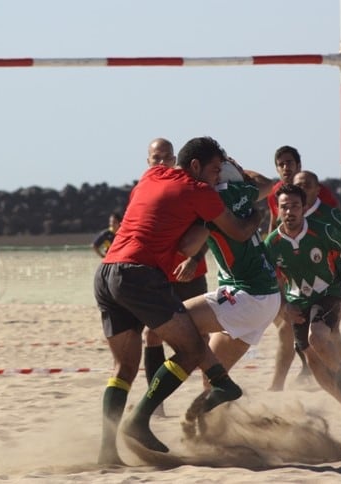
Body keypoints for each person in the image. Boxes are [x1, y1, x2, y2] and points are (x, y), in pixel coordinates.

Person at [94, 136, 261, 465]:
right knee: (191, 347)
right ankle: (142, 419)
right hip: (138, 274)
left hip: (106, 272)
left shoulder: (151, 176)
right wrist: (255, 212)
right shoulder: (201, 192)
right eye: (214, 170)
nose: (217, 177)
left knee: (124, 368)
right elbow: (239, 232)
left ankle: (107, 452)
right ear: (196, 166)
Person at [180, 158, 281, 400]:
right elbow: (266, 183)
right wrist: (236, 170)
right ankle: (228, 427)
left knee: (176, 322)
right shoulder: (243, 191)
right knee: (212, 379)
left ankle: (151, 404)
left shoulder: (214, 200)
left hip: (247, 295)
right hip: (266, 297)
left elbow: (190, 244)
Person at [265, 184, 341, 410]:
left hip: (328, 293)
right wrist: (285, 305)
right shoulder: (272, 244)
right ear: (277, 210)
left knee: (317, 337)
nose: (290, 212)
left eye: (295, 206)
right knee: (311, 359)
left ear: (304, 208)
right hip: (297, 301)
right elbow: (273, 280)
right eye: (284, 207)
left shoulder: (323, 230)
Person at [142, 137, 209, 417]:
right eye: (156, 158)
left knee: (202, 339)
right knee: (151, 336)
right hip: (161, 277)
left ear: (175, 161)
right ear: (148, 162)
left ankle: (210, 396)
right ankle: (156, 403)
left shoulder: (185, 187)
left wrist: (194, 259)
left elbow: (209, 228)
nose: (162, 163)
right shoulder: (145, 190)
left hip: (193, 275)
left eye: (167, 157)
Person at [266, 145, 338, 235]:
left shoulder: (317, 190)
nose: (285, 167)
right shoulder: (274, 194)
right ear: (277, 169)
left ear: (299, 165)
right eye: (281, 165)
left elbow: (335, 219)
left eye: (289, 163)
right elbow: (274, 223)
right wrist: (267, 248)